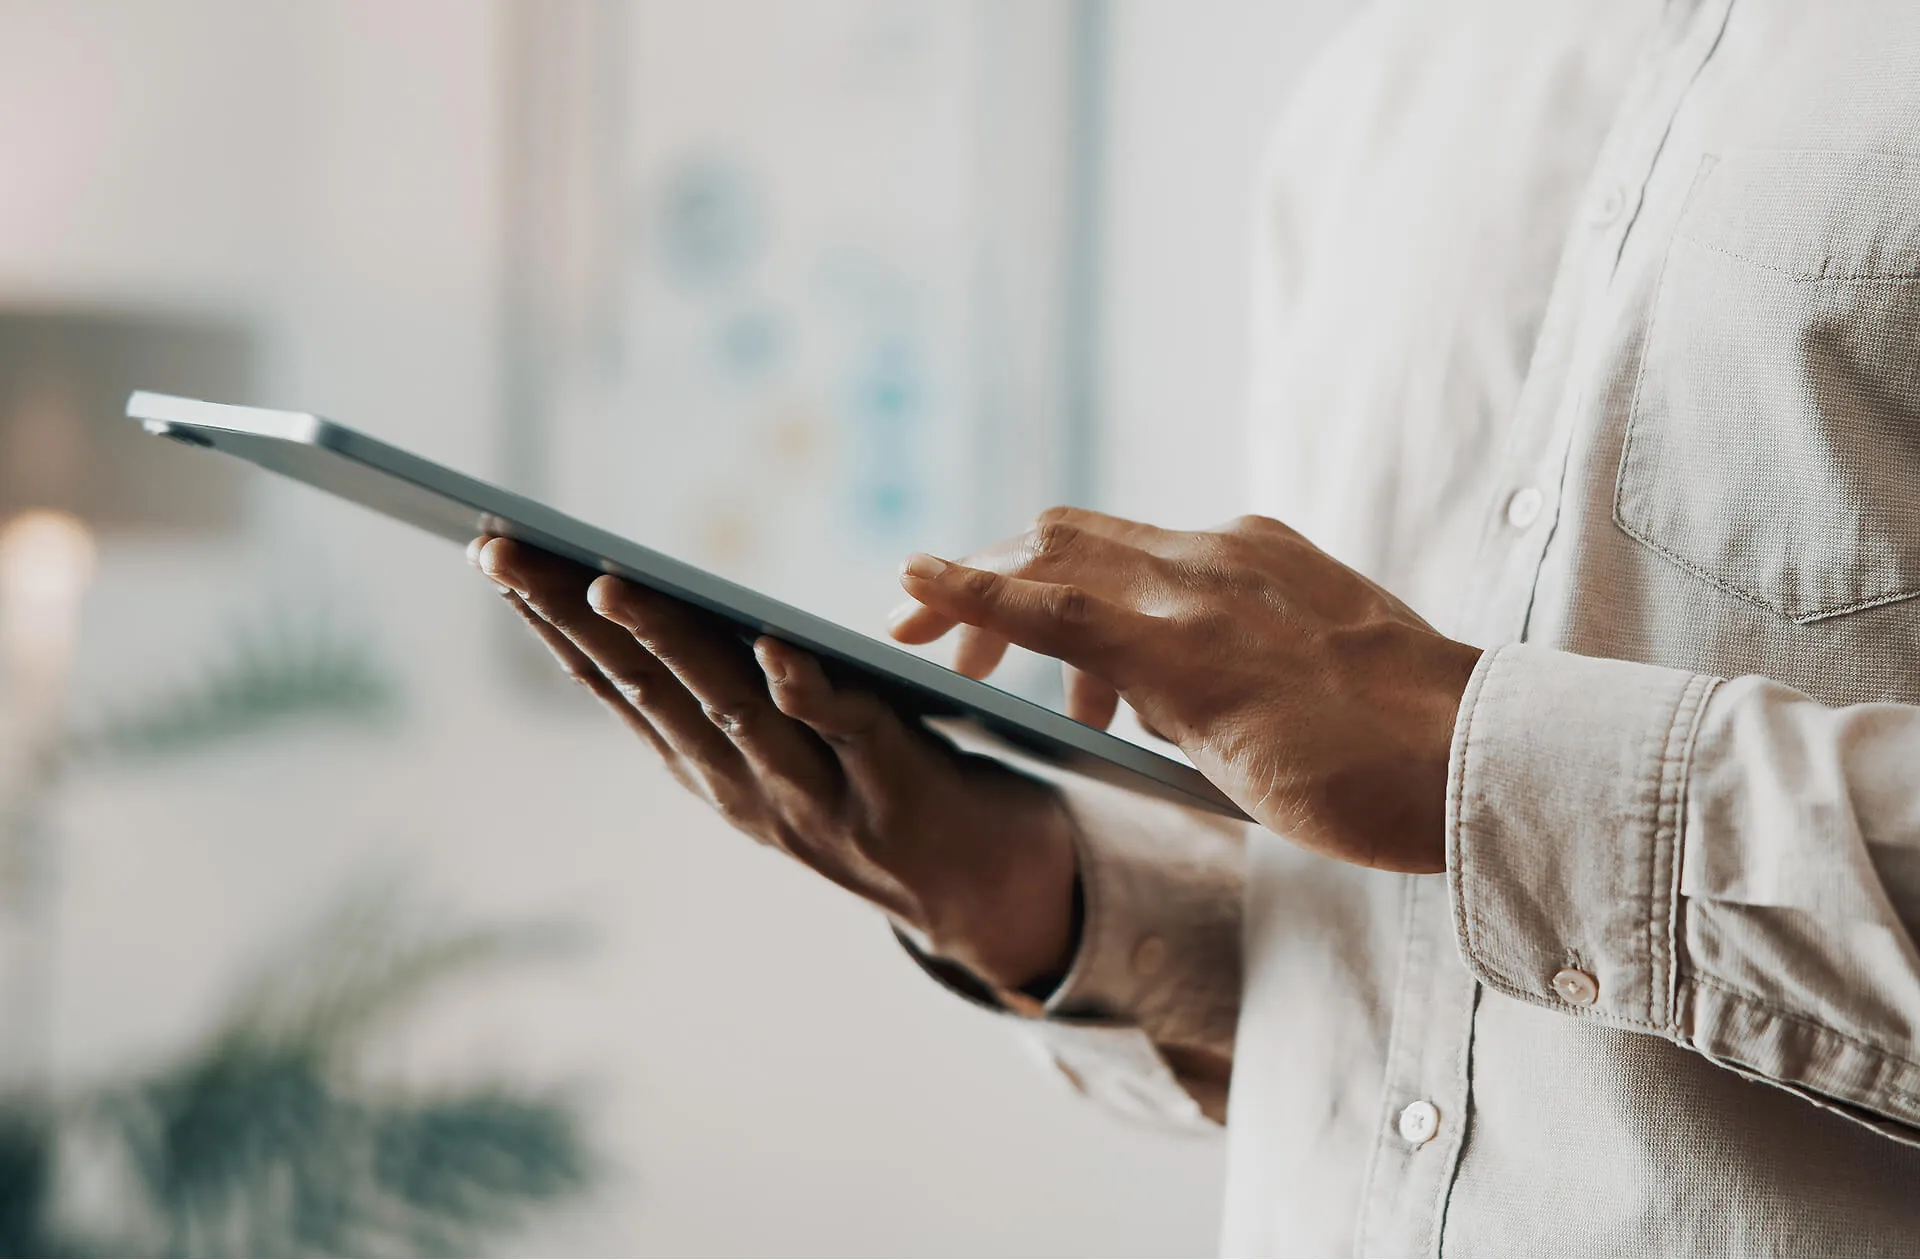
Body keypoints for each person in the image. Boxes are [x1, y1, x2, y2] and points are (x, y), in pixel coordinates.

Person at [471, 2, 1920, 1254]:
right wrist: (1045, 900)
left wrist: (1479, 758)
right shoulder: (1375, 99)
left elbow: (1468, 793)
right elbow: (1432, 981)